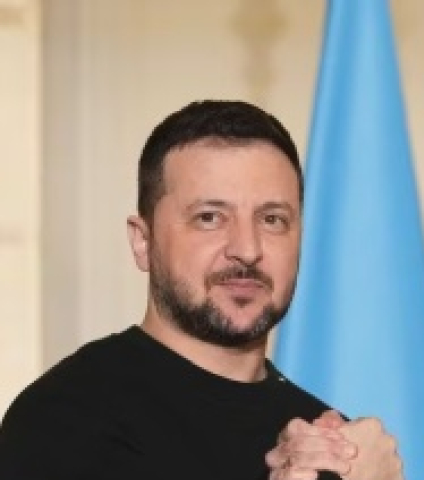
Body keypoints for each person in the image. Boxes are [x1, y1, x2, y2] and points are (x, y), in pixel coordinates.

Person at [0, 100, 403, 480]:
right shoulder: (66, 420)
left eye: (272, 220)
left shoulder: (329, 446)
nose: (247, 249)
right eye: (210, 218)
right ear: (143, 241)